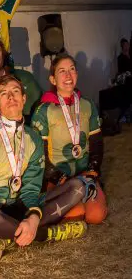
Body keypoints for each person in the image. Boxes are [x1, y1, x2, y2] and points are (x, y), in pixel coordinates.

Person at [0, 75, 88, 262]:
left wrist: (32, 216)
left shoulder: (33, 138)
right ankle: (45, 234)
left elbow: (30, 188)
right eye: (4, 94)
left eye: (15, 92)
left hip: (18, 207)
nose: (11, 97)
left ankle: (15, 232)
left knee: (78, 187)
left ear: (24, 98)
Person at [31, 55, 107, 225]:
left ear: (77, 74)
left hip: (84, 174)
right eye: (62, 71)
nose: (68, 75)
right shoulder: (43, 110)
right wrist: (58, 177)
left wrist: (93, 169)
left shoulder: (87, 104)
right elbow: (38, 154)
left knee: (96, 216)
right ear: (53, 78)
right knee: (77, 214)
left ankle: (89, 191)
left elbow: (96, 143)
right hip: (59, 178)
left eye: (72, 69)